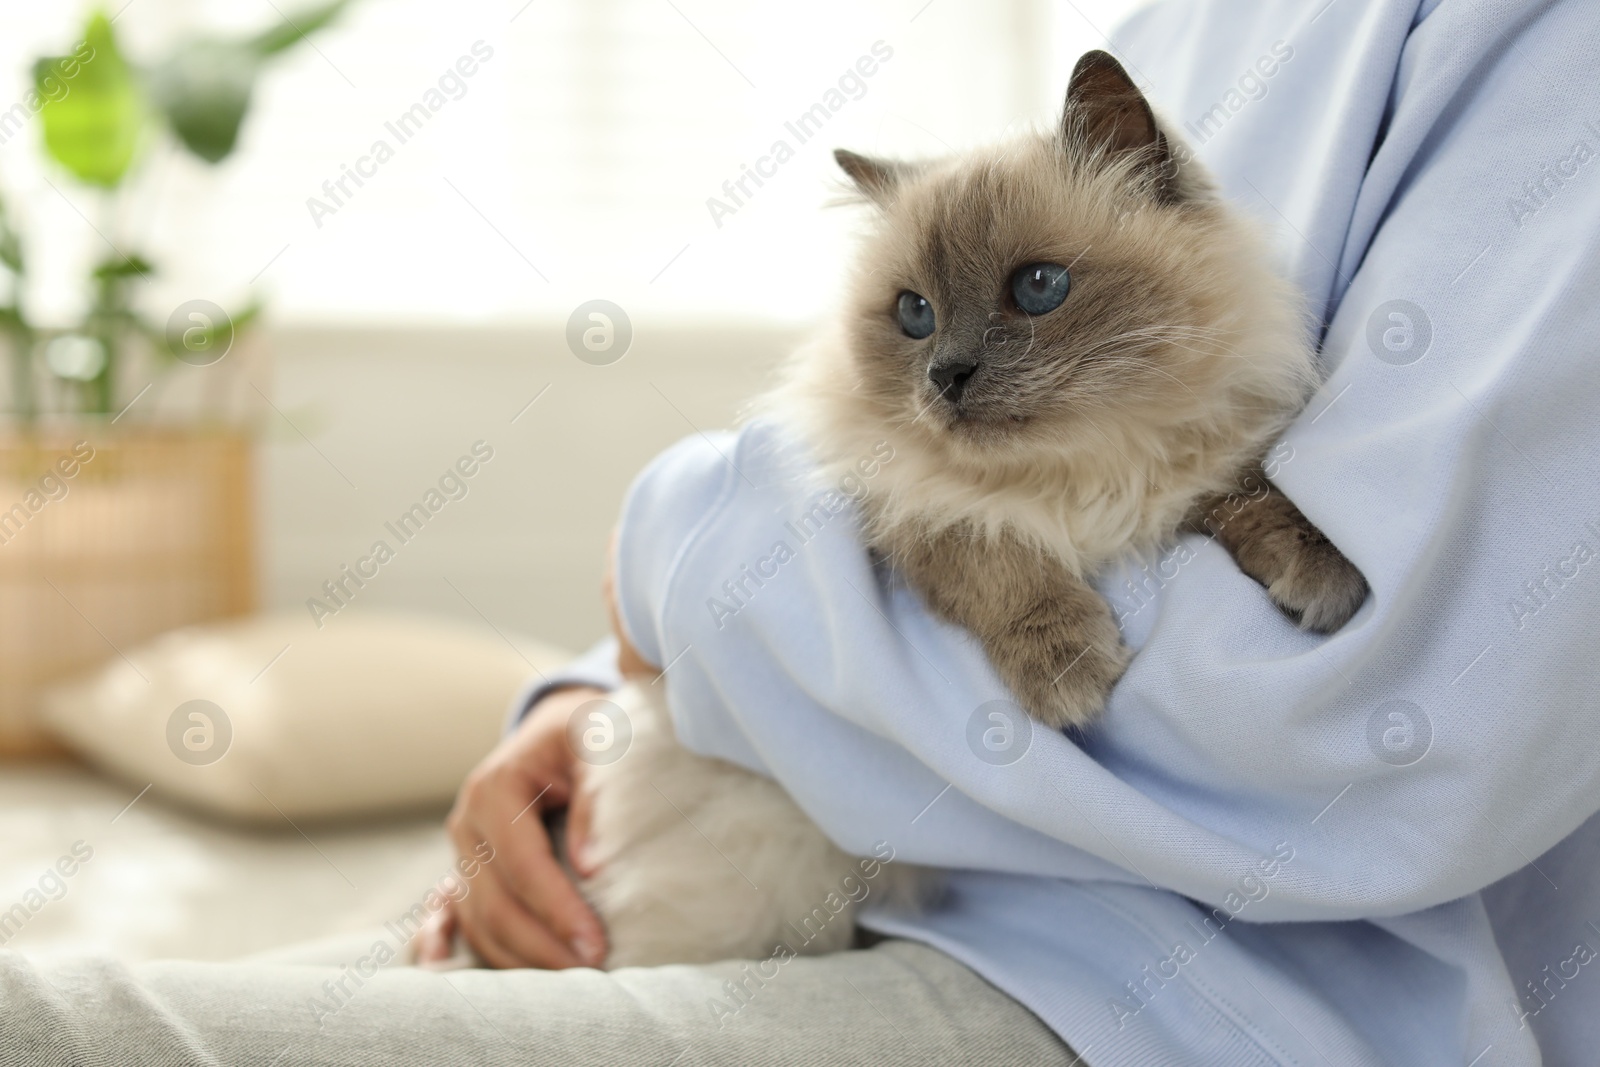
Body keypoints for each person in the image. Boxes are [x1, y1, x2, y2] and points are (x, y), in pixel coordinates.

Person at [5, 1, 1598, 1063]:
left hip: (1150, 983)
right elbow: (831, 494)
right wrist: (588, 687)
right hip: (794, 840)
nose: (957, 364)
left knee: (75, 1027)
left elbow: (1389, 717)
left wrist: (679, 568)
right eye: (917, 321)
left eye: (1030, 299)